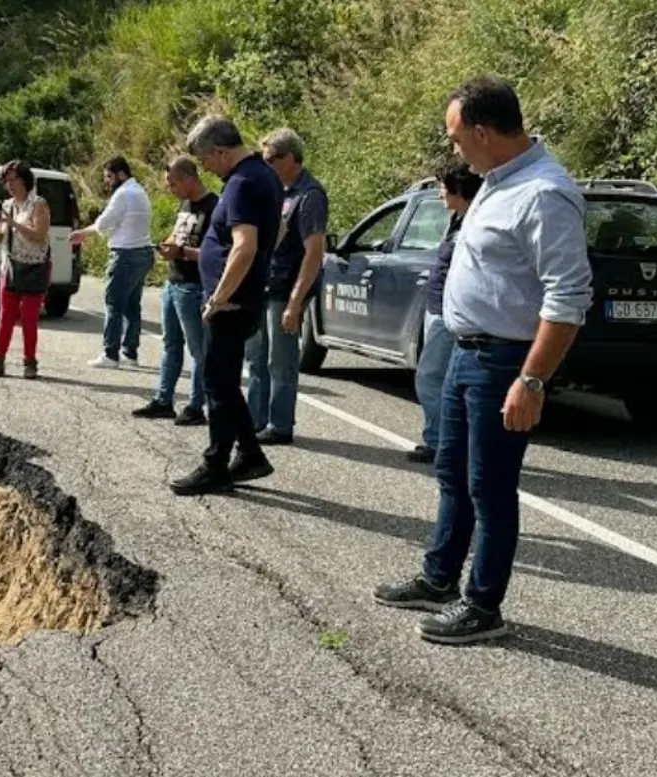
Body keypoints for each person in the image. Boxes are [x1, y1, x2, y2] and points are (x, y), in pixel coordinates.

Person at [373, 75, 593, 644]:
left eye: (455, 137)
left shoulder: (545, 193)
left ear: (482, 130)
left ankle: (483, 606)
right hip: (466, 355)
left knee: (490, 488)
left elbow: (567, 298)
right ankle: (439, 577)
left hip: (504, 362)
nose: (453, 149)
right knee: (452, 474)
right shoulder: (497, 181)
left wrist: (532, 379)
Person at [170, 115, 283, 496]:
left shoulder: (242, 183)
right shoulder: (261, 176)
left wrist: (220, 297)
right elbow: (274, 233)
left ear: (220, 151)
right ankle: (250, 454)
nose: (205, 168)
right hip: (241, 298)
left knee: (218, 383)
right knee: (223, 382)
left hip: (231, 303)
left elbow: (245, 245)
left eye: (205, 160)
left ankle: (216, 462)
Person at [246, 128, 329, 446]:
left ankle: (280, 425)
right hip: (264, 285)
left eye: (270, 159)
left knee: (280, 361)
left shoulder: (309, 195)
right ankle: (255, 419)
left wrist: (296, 302)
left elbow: (314, 251)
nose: (265, 165)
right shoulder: (276, 190)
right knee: (256, 356)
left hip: (285, 289)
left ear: (290, 158)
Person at [132, 157, 219, 426]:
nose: (170, 189)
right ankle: (163, 399)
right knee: (170, 345)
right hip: (173, 282)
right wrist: (167, 246)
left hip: (194, 286)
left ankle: (196, 406)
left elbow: (214, 253)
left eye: (173, 184)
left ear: (189, 179)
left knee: (198, 350)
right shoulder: (184, 205)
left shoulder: (214, 207)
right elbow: (176, 234)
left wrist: (181, 252)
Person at [406, 161, 483, 463]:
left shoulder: (473, 222)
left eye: (443, 186)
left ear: (459, 189)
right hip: (437, 307)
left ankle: (439, 441)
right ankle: (447, 441)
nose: (439, 191)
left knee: (430, 376)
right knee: (444, 379)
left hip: (449, 314)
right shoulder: (457, 218)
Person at [70, 156, 154, 369]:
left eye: (109, 176)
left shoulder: (124, 194)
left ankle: (110, 354)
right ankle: (130, 353)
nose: (107, 181)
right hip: (143, 252)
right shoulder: (140, 191)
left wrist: (82, 233)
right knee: (132, 306)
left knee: (113, 304)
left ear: (121, 174)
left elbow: (104, 223)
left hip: (125, 254)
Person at [0, 160, 51, 380]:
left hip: (34, 267)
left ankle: (30, 363)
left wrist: (13, 223)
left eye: (14, 179)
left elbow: (39, 236)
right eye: (6, 180)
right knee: (5, 318)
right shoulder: (7, 205)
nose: (10, 185)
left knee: (29, 319)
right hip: (11, 267)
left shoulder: (38, 204)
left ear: (25, 179)